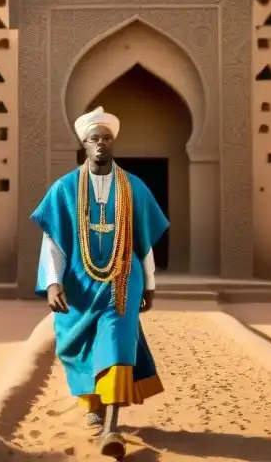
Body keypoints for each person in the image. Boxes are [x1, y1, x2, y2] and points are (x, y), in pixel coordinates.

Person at [31, 106, 169, 459]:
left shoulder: (134, 187)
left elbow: (144, 243)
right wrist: (52, 283)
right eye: (95, 139)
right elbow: (53, 243)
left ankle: (112, 427)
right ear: (85, 145)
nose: (102, 145)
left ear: (113, 143)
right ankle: (91, 403)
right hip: (78, 284)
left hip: (123, 281)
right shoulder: (64, 189)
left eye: (107, 139)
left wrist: (150, 283)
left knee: (119, 346)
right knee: (76, 346)